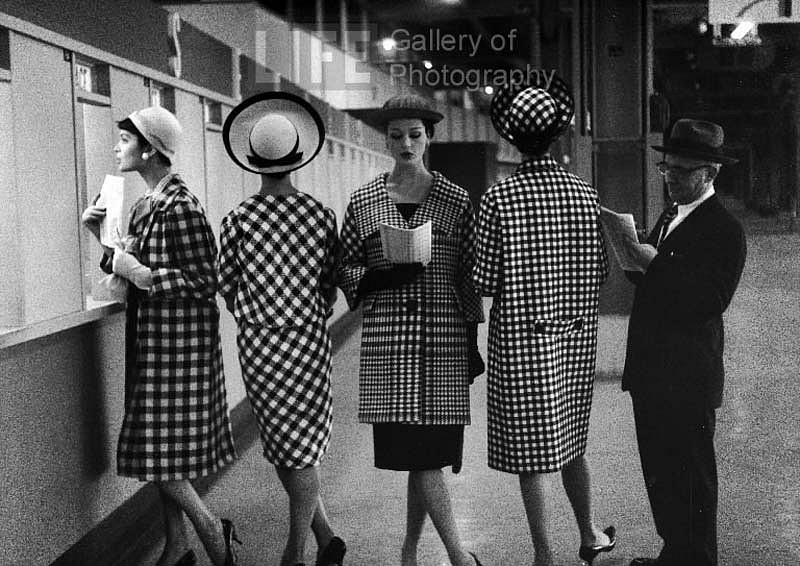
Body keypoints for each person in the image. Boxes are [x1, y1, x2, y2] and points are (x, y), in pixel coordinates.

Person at [80, 106, 239, 566]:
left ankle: (209, 527)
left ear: (150, 150)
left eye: (126, 140)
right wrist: (101, 240)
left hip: (180, 348)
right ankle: (176, 545)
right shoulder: (146, 203)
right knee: (162, 449)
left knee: (155, 450)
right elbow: (128, 268)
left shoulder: (181, 206)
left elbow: (206, 279)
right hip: (153, 341)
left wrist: (148, 276)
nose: (117, 147)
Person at [337, 94, 485, 566]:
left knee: (429, 458)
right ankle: (458, 556)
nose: (405, 143)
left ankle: (410, 550)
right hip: (390, 344)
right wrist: (376, 276)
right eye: (396, 135)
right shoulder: (364, 201)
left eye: (415, 134)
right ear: (385, 139)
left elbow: (469, 275)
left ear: (430, 137)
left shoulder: (456, 200)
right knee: (421, 458)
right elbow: (345, 266)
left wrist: (471, 341)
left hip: (443, 339)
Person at [474, 76, 615, 566]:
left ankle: (543, 553)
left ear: (511, 137)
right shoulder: (584, 194)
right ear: (558, 135)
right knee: (572, 437)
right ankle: (589, 534)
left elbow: (484, 278)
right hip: (574, 337)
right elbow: (599, 271)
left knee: (531, 449)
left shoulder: (499, 198)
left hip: (520, 338)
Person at [218, 92, 346, 566]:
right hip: (309, 339)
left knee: (287, 447)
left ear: (253, 162)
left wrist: (256, 313)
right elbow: (331, 284)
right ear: (297, 158)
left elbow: (226, 286)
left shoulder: (238, 219)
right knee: (301, 447)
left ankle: (296, 552)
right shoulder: (319, 215)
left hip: (260, 343)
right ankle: (323, 539)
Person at [619, 119, 747, 566]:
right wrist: (635, 260)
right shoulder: (671, 215)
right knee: (660, 473)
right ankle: (675, 553)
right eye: (666, 167)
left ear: (711, 173)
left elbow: (710, 301)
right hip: (653, 370)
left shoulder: (724, 229)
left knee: (691, 477)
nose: (671, 177)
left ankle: (697, 558)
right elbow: (659, 285)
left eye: (683, 170)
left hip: (687, 376)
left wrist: (654, 268)